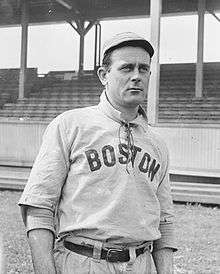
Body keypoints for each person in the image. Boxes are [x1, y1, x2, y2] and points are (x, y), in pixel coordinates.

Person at [19, 32, 177, 274]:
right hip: (82, 261)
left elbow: (164, 222)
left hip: (140, 263)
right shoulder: (70, 125)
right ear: (104, 75)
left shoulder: (156, 143)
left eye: (143, 69)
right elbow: (39, 208)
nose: (136, 76)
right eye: (126, 68)